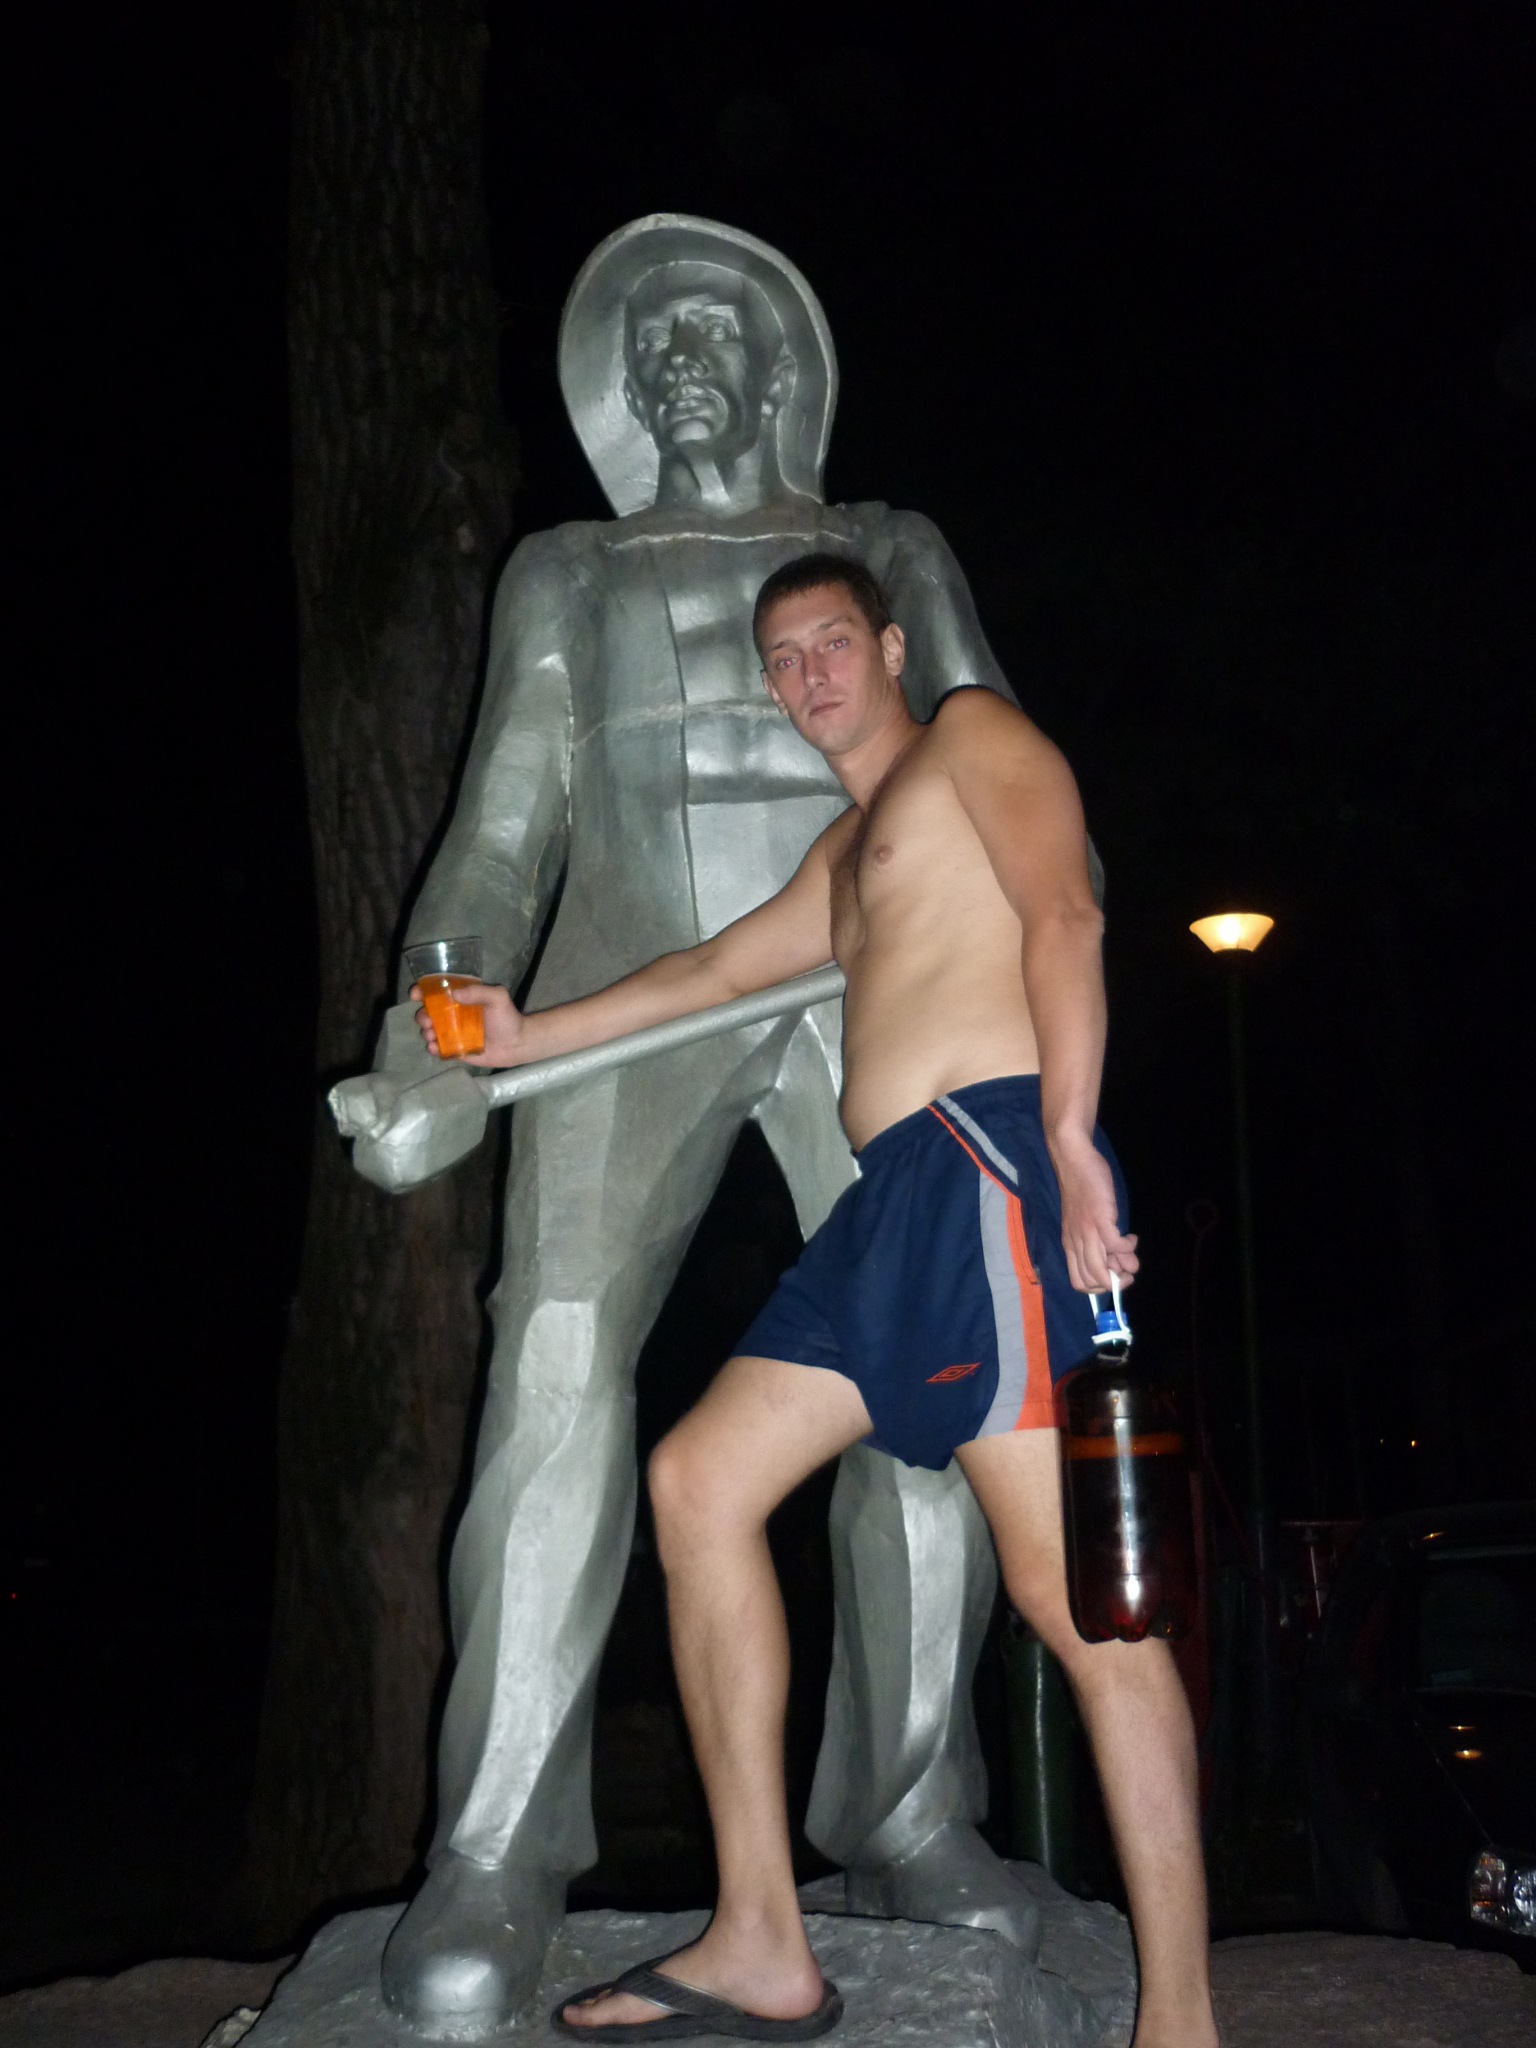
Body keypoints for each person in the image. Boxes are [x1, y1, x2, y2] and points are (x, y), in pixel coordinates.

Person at [374, 216, 1054, 2037]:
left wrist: (1047, 1082)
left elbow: (995, 782)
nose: (680, 358)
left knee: (923, 1390)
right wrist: (430, 1038)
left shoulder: (889, 548)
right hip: (624, 984)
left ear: (778, 370)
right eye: (651, 336)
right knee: (553, 1363)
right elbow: (499, 834)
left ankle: (911, 1810)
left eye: (713, 330)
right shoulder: (565, 571)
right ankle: (494, 1844)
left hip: (868, 986)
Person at [420, 554, 1219, 2048]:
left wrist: (1069, 1134)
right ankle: (760, 1939)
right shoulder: (844, 854)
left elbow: (1065, 913)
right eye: (784, 660)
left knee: (1081, 1609)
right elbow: (715, 969)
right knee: (697, 1483)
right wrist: (527, 1037)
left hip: (987, 1165)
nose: (810, 678)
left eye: (833, 643)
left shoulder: (972, 738)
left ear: (892, 646)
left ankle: (1181, 2017)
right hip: (881, 1214)